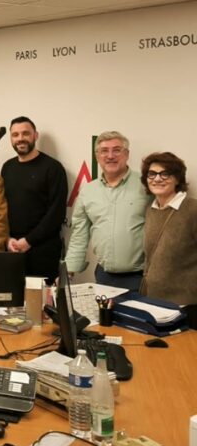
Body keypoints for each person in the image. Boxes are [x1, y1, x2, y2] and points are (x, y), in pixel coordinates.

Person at [65, 131, 150, 290]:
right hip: (104, 276)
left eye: (117, 150)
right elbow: (79, 234)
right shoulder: (88, 191)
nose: (110, 156)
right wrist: (69, 271)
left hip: (142, 277)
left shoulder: (147, 185)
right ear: (97, 156)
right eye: (104, 151)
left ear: (127, 154)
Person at [1, 116, 67, 283]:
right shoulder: (7, 167)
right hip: (12, 249)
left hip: (43, 251)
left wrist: (28, 241)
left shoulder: (53, 168)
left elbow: (56, 213)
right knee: (13, 297)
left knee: (42, 299)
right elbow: (1, 207)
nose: (20, 138)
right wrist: (7, 239)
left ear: (35, 135)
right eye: (15, 135)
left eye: (25, 133)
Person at [140, 152, 197, 325]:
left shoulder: (192, 209)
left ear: (177, 179)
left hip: (186, 307)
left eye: (165, 174)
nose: (157, 179)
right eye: (152, 174)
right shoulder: (151, 210)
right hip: (153, 303)